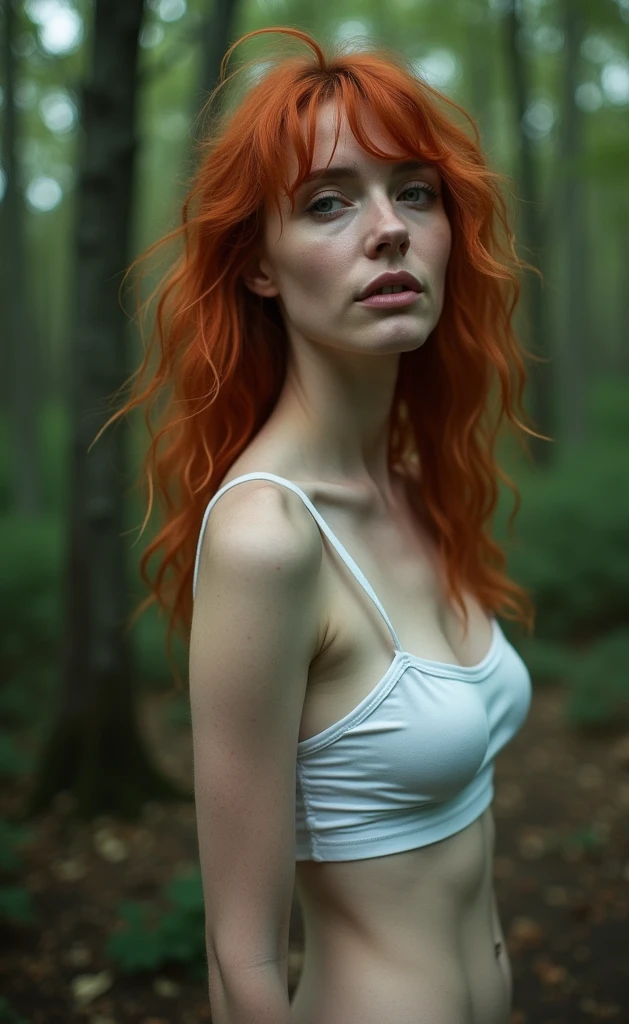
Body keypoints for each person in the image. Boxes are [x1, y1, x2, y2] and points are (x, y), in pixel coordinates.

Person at [109, 24, 542, 1024]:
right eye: (327, 202)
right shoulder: (269, 537)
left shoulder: (411, 480)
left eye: (415, 193)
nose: (386, 228)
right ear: (259, 267)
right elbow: (241, 957)